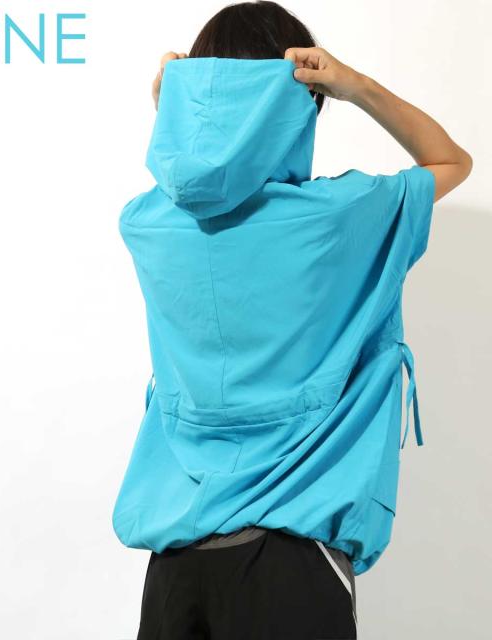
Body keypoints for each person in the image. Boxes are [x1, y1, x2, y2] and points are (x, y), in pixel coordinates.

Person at [112, 2, 472, 638]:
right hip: (290, 562)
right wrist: (355, 85)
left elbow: (193, 180)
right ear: (302, 100)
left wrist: (177, 108)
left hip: (175, 571)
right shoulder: (338, 215)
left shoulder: (147, 223)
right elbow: (449, 161)